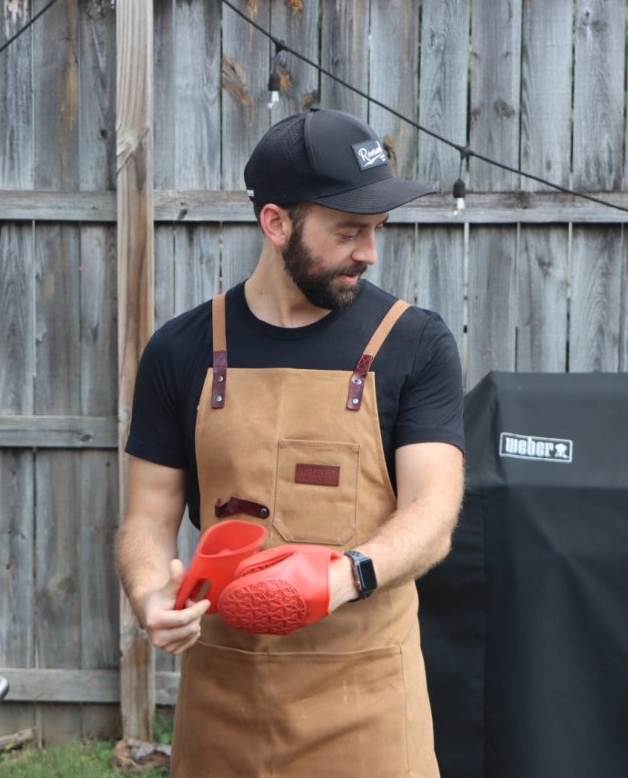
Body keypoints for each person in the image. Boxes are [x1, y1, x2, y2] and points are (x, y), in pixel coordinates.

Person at [116, 107, 465, 777]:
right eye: (348, 231)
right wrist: (147, 595)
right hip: (222, 706)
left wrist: (345, 575)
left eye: (375, 230)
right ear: (276, 224)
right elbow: (145, 521)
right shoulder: (182, 350)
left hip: (367, 707)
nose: (369, 252)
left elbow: (433, 513)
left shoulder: (415, 344)